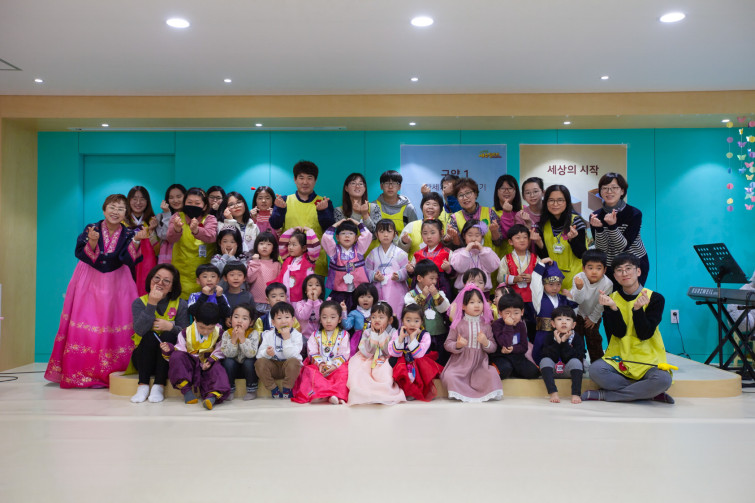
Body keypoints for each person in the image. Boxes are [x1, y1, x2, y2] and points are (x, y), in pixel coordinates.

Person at [45, 194, 143, 389]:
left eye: (120, 209)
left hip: (119, 281)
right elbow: (81, 253)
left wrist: (137, 242)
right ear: (104, 209)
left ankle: (115, 371)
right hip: (89, 278)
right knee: (88, 320)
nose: (115, 212)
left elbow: (128, 259)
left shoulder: (129, 233)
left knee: (116, 320)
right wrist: (91, 242)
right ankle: (83, 371)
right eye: (112, 207)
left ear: (126, 213)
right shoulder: (92, 228)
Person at [583, 253, 674, 403]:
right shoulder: (610, 299)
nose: (624, 273)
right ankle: (647, 393)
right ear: (615, 276)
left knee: (663, 379)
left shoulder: (655, 298)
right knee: (595, 370)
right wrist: (613, 308)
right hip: (618, 360)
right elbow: (619, 333)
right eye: (619, 270)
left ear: (638, 271)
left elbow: (644, 334)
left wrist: (638, 310)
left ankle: (607, 395)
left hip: (648, 360)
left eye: (628, 268)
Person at [129, 264, 189, 403]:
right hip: (143, 359)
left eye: (166, 281)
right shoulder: (139, 302)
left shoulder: (181, 304)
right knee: (149, 336)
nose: (160, 283)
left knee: (168, 337)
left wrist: (171, 327)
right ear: (150, 280)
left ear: (172, 287)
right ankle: (142, 386)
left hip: (168, 362)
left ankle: (159, 386)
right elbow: (140, 330)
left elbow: (186, 333)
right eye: (157, 278)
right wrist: (152, 303)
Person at [160, 302, 230, 410]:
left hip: (208, 365)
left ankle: (211, 397)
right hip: (191, 367)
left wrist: (210, 361)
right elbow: (180, 351)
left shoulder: (220, 333)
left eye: (210, 328)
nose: (206, 331)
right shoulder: (185, 333)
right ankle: (187, 391)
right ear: (195, 319)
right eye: (202, 327)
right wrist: (169, 350)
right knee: (176, 356)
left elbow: (220, 350)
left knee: (218, 370)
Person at [270, 160, 335, 275]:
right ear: (295, 179)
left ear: (315, 180)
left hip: (316, 263)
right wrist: (279, 209)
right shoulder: (284, 200)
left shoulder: (324, 202)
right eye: (301, 178)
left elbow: (329, 229)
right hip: (289, 261)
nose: (305, 182)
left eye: (309, 178)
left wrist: (323, 212)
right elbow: (275, 224)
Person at [440, 284, 503, 402]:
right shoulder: (458, 324)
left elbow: (493, 347)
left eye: (479, 302)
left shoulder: (486, 325)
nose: (477, 305)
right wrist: (457, 345)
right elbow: (447, 344)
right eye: (472, 302)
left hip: (480, 365)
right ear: (463, 306)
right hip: (460, 364)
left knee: (492, 373)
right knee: (450, 376)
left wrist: (485, 342)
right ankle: (460, 392)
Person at [590, 172, 650, 289]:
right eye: (605, 188)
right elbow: (602, 250)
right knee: (612, 298)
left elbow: (623, 247)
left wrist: (612, 226)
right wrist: (599, 229)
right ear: (600, 192)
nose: (609, 191)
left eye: (614, 188)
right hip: (610, 265)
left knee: (632, 297)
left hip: (634, 263)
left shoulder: (634, 213)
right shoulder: (595, 216)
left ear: (622, 191)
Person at [346, 301, 406, 405]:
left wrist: (382, 336)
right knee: (358, 372)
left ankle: (382, 394)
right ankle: (363, 394)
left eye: (381, 317)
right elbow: (366, 352)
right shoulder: (367, 332)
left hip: (385, 359)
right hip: (367, 358)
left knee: (384, 373)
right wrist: (373, 336)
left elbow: (389, 352)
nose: (377, 320)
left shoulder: (393, 332)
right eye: (373, 317)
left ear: (390, 320)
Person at [292, 300, 350, 404]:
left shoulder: (344, 334)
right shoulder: (315, 335)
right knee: (310, 371)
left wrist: (334, 366)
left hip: (336, 366)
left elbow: (344, 353)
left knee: (343, 372)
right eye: (324, 317)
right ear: (320, 318)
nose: (328, 321)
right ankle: (320, 394)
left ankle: (336, 395)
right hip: (320, 365)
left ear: (339, 319)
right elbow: (312, 352)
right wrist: (321, 364)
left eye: (333, 317)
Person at [532, 184, 587, 290]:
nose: (555, 204)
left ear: (567, 202)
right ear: (546, 202)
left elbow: (581, 254)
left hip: (575, 280)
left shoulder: (575, 222)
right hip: (553, 280)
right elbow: (544, 257)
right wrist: (539, 243)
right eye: (551, 200)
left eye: (560, 200)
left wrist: (573, 240)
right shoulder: (543, 224)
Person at [166, 187, 218, 299]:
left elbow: (211, 237)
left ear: (205, 206)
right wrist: (176, 229)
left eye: (197, 203)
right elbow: (170, 239)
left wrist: (197, 230)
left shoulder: (210, 219)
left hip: (204, 277)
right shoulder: (177, 217)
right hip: (180, 274)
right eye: (189, 202)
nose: (193, 206)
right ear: (184, 203)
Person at [388, 304, 443, 401]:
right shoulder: (398, 333)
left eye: (416, 321)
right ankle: (399, 390)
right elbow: (394, 353)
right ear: (402, 320)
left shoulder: (425, 335)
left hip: (418, 361)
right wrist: (400, 339)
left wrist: (413, 338)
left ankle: (414, 391)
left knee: (419, 363)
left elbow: (418, 355)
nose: (412, 324)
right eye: (408, 320)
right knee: (395, 363)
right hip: (403, 360)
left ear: (421, 321)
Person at [497, 224, 541, 340]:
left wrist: (533, 278)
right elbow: (500, 278)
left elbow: (543, 277)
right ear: (510, 242)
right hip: (513, 300)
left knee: (533, 325)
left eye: (525, 237)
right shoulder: (506, 259)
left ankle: (533, 347)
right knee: (515, 326)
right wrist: (514, 279)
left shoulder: (535, 258)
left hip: (532, 300)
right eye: (518, 237)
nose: (522, 240)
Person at [404, 259, 451, 365]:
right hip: (420, 335)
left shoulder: (439, 293)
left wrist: (436, 295)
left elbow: (445, 309)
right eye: (431, 278)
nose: (434, 281)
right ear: (419, 278)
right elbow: (412, 311)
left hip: (439, 334)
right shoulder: (410, 295)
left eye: (436, 279)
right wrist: (422, 296)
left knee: (440, 361)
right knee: (423, 362)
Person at [530, 259, 577, 363]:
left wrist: (570, 298)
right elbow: (535, 282)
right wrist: (541, 263)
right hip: (543, 337)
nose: (555, 288)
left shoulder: (563, 299)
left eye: (558, 284)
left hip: (561, 337)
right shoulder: (539, 298)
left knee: (562, 360)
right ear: (543, 284)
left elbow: (574, 314)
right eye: (551, 284)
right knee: (543, 361)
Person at [569, 249, 613, 362]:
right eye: (590, 268)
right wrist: (579, 288)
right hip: (578, 314)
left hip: (594, 314)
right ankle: (578, 362)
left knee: (594, 340)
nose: (594, 272)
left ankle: (597, 364)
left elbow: (601, 304)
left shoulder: (608, 284)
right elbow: (577, 301)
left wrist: (593, 318)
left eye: (598, 268)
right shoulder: (578, 278)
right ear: (583, 268)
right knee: (576, 339)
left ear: (605, 270)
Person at [254, 302, 303, 399]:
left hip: (289, 367)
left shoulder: (297, 335)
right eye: (279, 318)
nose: (284, 321)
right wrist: (267, 353)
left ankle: (287, 388)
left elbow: (292, 355)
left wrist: (287, 339)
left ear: (293, 320)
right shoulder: (268, 335)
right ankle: (273, 389)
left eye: (287, 317)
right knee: (259, 363)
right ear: (273, 322)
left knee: (294, 362)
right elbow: (259, 355)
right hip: (273, 365)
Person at [321, 218, 372, 310]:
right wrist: (336, 225)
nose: (347, 236)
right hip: (339, 292)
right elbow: (326, 238)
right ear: (337, 237)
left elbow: (367, 235)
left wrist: (358, 223)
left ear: (356, 238)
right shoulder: (334, 251)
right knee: (339, 313)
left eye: (351, 233)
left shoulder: (359, 250)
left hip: (358, 291)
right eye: (343, 233)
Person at [540, 306, 585, 404]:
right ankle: (553, 393)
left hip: (568, 371)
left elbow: (576, 356)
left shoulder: (577, 338)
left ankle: (576, 394)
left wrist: (564, 342)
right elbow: (548, 355)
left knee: (576, 362)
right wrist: (557, 342)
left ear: (573, 325)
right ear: (553, 324)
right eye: (559, 319)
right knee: (544, 361)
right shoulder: (549, 337)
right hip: (553, 370)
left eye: (568, 319)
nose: (564, 322)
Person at [489, 293, 539, 380]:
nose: (512, 316)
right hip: (501, 356)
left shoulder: (521, 325)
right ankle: (504, 369)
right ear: (500, 313)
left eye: (516, 313)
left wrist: (513, 349)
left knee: (533, 372)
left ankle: (514, 370)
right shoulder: (497, 325)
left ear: (522, 312)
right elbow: (505, 343)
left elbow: (524, 347)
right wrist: (508, 326)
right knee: (505, 369)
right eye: (507, 313)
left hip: (516, 356)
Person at [446, 177, 504, 250]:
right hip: (465, 256)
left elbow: (499, 243)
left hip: (487, 256)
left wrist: (494, 231)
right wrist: (454, 236)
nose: (465, 198)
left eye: (468, 193)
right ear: (457, 199)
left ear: (475, 194)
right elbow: (456, 248)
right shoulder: (454, 218)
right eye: (460, 195)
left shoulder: (490, 212)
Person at [365, 218, 409, 314]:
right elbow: (366, 270)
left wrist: (399, 275)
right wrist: (374, 276)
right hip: (378, 288)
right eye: (382, 232)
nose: (385, 235)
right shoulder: (373, 253)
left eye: (389, 231)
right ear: (377, 234)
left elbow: (406, 269)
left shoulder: (400, 253)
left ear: (394, 234)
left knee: (396, 312)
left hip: (396, 288)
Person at [220, 303, 260, 401]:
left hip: (248, 368)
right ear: (230, 319)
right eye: (236, 317)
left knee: (249, 362)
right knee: (228, 362)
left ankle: (251, 390)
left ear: (251, 322)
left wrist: (242, 339)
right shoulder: (227, 334)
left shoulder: (253, 333)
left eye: (244, 318)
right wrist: (233, 340)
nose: (239, 321)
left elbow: (251, 354)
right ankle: (229, 390)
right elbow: (228, 354)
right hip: (233, 368)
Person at [125, 186, 159, 296]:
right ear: (129, 201)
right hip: (127, 265)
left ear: (147, 201)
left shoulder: (153, 221)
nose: (138, 202)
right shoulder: (121, 222)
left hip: (148, 265)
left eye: (142, 199)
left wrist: (152, 231)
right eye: (134, 199)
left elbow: (158, 251)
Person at [406, 219, 454, 298]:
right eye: (425, 233)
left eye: (432, 233)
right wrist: (411, 270)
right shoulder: (418, 254)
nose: (428, 237)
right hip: (420, 292)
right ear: (421, 234)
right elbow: (413, 275)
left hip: (440, 290)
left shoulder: (447, 253)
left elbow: (454, 275)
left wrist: (448, 268)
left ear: (441, 233)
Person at [450, 219, 500, 293]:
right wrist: (466, 250)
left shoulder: (487, 251)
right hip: (464, 291)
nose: (473, 239)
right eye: (470, 235)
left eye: (477, 235)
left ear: (482, 236)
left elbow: (492, 267)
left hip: (484, 290)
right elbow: (459, 268)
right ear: (464, 236)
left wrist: (482, 250)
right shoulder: (459, 252)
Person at [273, 226, 320, 303]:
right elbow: (282, 242)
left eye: (294, 245)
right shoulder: (287, 258)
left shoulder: (309, 259)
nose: (290, 247)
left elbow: (314, 247)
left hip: (302, 300)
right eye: (289, 244)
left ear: (304, 248)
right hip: (286, 298)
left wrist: (309, 231)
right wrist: (293, 229)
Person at [398, 191, 449, 257]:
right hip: (415, 263)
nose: (430, 207)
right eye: (427, 204)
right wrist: (404, 243)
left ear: (441, 210)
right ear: (422, 207)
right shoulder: (411, 226)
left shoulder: (446, 227)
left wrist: (448, 241)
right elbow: (399, 252)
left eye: (435, 205)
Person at [245, 231, 281, 314]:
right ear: (256, 246)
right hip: (255, 301)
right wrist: (255, 262)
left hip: (272, 302)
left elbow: (279, 284)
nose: (264, 247)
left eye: (269, 244)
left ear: (273, 248)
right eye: (261, 244)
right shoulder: (252, 262)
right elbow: (249, 279)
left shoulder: (277, 264)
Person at [374, 170, 418, 235]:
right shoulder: (374, 206)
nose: (390, 187)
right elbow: (371, 231)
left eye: (394, 183)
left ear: (399, 186)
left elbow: (415, 232)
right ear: (381, 186)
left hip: (402, 242)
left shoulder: (408, 208)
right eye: (387, 183)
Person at [342, 283, 379, 357]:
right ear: (357, 298)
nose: (365, 299)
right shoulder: (354, 313)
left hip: (374, 339)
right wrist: (344, 311)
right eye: (362, 297)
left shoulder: (377, 312)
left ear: (374, 298)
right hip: (358, 341)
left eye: (369, 297)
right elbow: (346, 326)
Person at [491, 174, 521, 257]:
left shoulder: (523, 210)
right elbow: (506, 236)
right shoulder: (491, 212)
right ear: (497, 191)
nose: (506, 191)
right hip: (499, 258)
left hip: (521, 257)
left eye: (510, 188)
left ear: (515, 191)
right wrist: (507, 213)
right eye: (502, 188)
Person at [156, 183, 186, 264]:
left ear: (185, 197)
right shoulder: (160, 217)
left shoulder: (190, 217)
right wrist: (167, 214)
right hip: (167, 259)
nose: (175, 200)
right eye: (171, 197)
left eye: (179, 197)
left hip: (186, 256)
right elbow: (166, 236)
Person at [294, 273, 326, 344]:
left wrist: (316, 301)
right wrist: (310, 301)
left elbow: (319, 318)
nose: (313, 288)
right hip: (303, 337)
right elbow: (303, 317)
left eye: (317, 285)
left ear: (322, 290)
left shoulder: (324, 304)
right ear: (305, 290)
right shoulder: (299, 304)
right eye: (310, 285)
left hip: (320, 337)